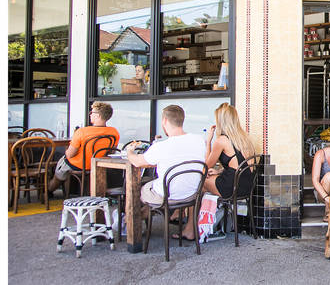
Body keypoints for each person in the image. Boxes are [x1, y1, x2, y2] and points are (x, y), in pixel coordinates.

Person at [126, 105, 206, 239]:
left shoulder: (161, 146)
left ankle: (134, 223)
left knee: (141, 188)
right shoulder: (199, 140)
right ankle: (188, 228)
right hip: (192, 194)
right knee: (173, 183)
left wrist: (129, 151)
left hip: (167, 196)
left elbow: (138, 162)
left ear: (164, 121)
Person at [179, 103, 257, 240]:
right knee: (204, 181)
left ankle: (191, 227)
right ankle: (205, 224)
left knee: (199, 183)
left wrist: (208, 141)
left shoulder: (221, 140)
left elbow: (206, 166)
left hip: (231, 188)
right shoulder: (245, 138)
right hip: (246, 186)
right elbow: (238, 166)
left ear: (221, 121)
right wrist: (220, 172)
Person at [48, 102, 120, 194]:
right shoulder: (114, 132)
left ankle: (49, 190)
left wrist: (66, 152)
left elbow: (70, 154)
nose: (90, 115)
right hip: (98, 165)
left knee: (62, 164)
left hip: (79, 165)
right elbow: (111, 152)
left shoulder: (82, 131)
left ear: (97, 116)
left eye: (92, 113)